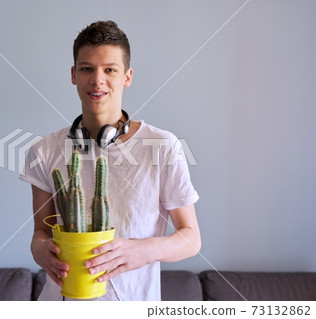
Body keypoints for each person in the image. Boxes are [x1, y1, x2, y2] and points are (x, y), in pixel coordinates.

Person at [20, 20, 201, 301]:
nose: (97, 80)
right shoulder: (44, 150)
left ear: (127, 77)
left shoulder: (163, 146)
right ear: (73, 74)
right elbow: (40, 233)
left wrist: (144, 250)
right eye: (87, 69)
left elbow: (191, 239)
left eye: (110, 70)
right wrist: (42, 251)